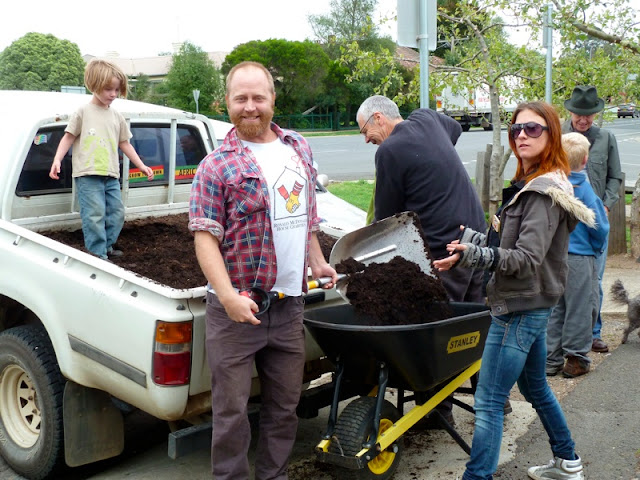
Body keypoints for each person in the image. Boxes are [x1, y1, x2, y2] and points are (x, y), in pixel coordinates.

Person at [188, 61, 337, 480]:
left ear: (273, 99)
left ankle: (275, 476)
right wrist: (228, 297)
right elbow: (204, 237)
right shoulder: (215, 166)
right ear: (227, 103)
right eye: (241, 98)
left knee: (284, 407)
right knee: (231, 414)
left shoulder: (298, 147)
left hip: (289, 306)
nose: (250, 107)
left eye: (258, 97)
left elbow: (306, 214)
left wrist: (317, 260)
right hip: (236, 311)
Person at [434, 101, 594, 480]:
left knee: (489, 399)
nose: (522, 135)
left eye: (532, 129)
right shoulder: (539, 183)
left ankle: (478, 476)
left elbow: (526, 259)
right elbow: (512, 243)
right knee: (535, 387)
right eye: (516, 129)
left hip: (519, 308)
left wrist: (474, 255)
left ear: (551, 135)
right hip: (532, 302)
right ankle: (567, 462)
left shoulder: (541, 193)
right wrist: (473, 245)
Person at [356, 95, 488, 427]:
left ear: (378, 118)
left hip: (444, 249)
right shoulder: (428, 119)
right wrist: (435, 163)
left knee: (435, 327)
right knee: (472, 322)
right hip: (476, 237)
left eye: (364, 130)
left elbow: (388, 219)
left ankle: (437, 413)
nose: (366, 139)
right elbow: (455, 128)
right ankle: (492, 402)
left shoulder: (389, 151)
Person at [49, 59, 154, 260]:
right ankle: (97, 255)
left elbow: (125, 143)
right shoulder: (83, 112)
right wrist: (57, 160)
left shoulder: (116, 116)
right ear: (94, 85)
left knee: (117, 213)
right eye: (108, 89)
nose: (113, 94)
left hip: (111, 174)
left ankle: (106, 246)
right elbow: (68, 137)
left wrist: (141, 165)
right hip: (87, 173)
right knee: (94, 215)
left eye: (116, 90)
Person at [562, 85, 623, 353]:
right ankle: (560, 339)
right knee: (558, 280)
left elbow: (615, 176)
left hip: (594, 223)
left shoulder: (606, 138)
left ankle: (593, 333)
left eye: (588, 115)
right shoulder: (557, 136)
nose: (583, 119)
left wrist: (606, 205)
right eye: (579, 114)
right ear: (571, 112)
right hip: (562, 221)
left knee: (593, 281)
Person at [546, 133, 609, 378]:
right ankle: (575, 358)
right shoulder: (584, 190)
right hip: (580, 257)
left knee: (555, 309)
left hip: (554, 257)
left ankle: (550, 359)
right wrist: (597, 247)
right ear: (585, 160)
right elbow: (599, 226)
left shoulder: (551, 186)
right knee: (581, 308)